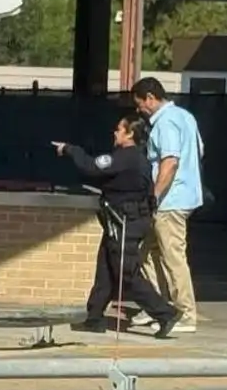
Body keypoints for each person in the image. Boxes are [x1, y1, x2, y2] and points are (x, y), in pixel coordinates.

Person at [52, 114, 182, 339]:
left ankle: (165, 313)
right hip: (120, 221)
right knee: (106, 268)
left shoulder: (127, 157)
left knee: (126, 272)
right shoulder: (132, 158)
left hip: (126, 223)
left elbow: (93, 167)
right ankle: (94, 318)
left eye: (118, 129)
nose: (114, 132)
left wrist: (69, 149)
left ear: (129, 134)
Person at [130, 77, 202, 333]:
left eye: (140, 104)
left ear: (150, 97)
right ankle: (155, 306)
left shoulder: (166, 122)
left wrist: (154, 196)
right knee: (146, 251)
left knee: (172, 256)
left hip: (170, 201)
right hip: (182, 196)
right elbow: (199, 152)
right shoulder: (186, 117)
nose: (139, 110)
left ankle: (185, 313)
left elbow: (169, 162)